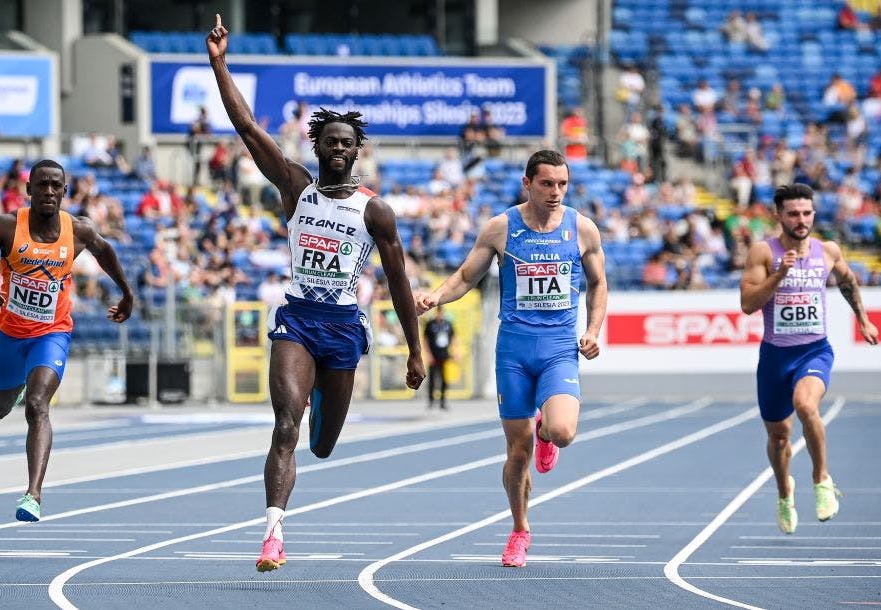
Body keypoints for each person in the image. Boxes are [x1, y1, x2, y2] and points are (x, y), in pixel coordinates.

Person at [205, 14, 425, 572]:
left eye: (346, 144)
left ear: (357, 151)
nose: (337, 150)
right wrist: (220, 66)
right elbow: (250, 130)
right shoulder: (296, 186)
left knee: (323, 444)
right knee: (286, 424)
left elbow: (399, 284)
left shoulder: (375, 211)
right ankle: (273, 534)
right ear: (319, 145)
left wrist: (415, 349)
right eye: (329, 142)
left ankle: (324, 395)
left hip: (345, 328)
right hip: (299, 319)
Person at [415, 149, 608, 568]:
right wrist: (434, 297)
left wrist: (592, 331)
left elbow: (597, 284)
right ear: (527, 183)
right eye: (546, 184)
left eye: (562, 184)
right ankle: (520, 529)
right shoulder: (502, 228)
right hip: (514, 352)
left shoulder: (583, 229)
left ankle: (545, 434)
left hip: (559, 348)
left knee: (562, 431)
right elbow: (467, 276)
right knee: (516, 453)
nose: (556, 192)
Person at [0, 159, 134, 522]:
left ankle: (33, 494)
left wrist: (127, 293)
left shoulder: (78, 231)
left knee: (37, 406)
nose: (49, 192)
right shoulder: (7, 227)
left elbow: (106, 253)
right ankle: (18, 382)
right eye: (42, 185)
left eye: (56, 185)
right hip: (9, 333)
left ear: (65, 191)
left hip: (52, 333)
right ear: (29, 189)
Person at [739, 183, 879, 536]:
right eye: (793, 214)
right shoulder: (763, 252)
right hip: (775, 357)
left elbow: (847, 282)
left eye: (806, 213)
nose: (801, 220)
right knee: (779, 437)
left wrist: (862, 318)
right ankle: (785, 490)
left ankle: (821, 480)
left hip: (814, 350)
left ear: (814, 214)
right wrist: (779, 274)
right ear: (779, 216)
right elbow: (748, 304)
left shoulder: (827, 250)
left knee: (806, 405)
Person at [423, 306, 454, 410]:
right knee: (432, 379)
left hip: (444, 355)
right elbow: (425, 339)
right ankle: (431, 401)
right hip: (434, 355)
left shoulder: (447, 324)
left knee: (444, 379)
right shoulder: (430, 324)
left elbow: (453, 338)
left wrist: (454, 352)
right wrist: (428, 354)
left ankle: (443, 401)